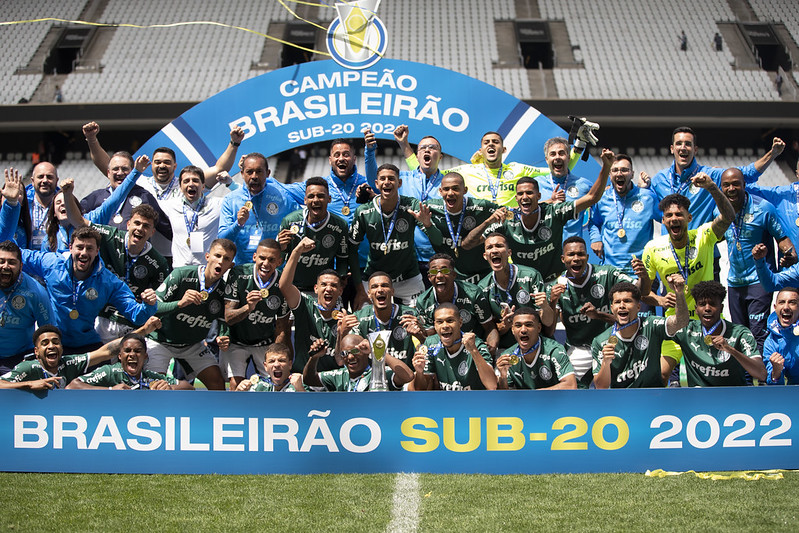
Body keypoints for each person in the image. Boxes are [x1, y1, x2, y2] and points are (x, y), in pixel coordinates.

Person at [83, 122, 244, 259]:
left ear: (175, 166)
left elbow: (219, 169)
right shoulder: (139, 183)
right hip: (145, 254)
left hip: (177, 255)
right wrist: (91, 139)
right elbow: (108, 167)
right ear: (151, 165)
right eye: (158, 162)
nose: (162, 166)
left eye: (167, 163)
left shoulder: (185, 185)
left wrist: (234, 144)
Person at [463, 148, 614, 281]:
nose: (525, 197)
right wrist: (487, 222)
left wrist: (606, 167)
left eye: (529, 193)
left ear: (539, 196)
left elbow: (592, 197)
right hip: (523, 284)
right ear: (516, 198)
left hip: (553, 283)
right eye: (520, 194)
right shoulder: (508, 220)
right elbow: (467, 244)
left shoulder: (555, 212)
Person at [641, 172, 735, 375]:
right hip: (676, 324)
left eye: (679, 214)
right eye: (669, 216)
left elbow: (729, 217)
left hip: (707, 323)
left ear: (688, 218)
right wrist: (659, 300)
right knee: (661, 374)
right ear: (663, 221)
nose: (674, 219)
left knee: (712, 375)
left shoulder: (704, 236)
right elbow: (643, 293)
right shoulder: (653, 248)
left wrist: (711, 187)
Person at [20, 225, 157, 354]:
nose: (84, 253)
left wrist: (149, 304)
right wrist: (11, 205)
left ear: (97, 251)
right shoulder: (52, 264)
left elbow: (137, 316)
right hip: (53, 343)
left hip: (86, 344)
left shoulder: (108, 282)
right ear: (70, 248)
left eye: (89, 248)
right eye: (79, 247)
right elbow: (14, 255)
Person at [401, 124, 596, 207]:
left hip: (511, 230)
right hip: (480, 232)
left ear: (503, 149)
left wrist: (578, 146)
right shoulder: (466, 171)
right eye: (487, 143)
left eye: (496, 142)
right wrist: (404, 145)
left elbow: (558, 167)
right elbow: (428, 170)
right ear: (481, 149)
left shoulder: (519, 170)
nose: (491, 145)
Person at [547, 237, 640, 387]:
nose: (576, 259)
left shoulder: (607, 273)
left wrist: (598, 315)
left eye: (580, 254)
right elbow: (548, 330)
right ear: (563, 259)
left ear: (587, 257)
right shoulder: (555, 287)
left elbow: (637, 296)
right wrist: (552, 302)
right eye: (571, 255)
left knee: (623, 385)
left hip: (610, 343)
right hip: (578, 348)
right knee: (571, 389)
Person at [718, 167, 793, 351]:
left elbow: (782, 239)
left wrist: (789, 255)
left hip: (760, 281)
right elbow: (714, 236)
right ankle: (746, 380)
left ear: (745, 185)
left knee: (757, 333)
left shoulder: (763, 208)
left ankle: (763, 378)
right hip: (735, 282)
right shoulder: (718, 211)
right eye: (726, 185)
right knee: (740, 335)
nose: (731, 188)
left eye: (736, 184)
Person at [145, 239, 236, 391]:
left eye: (226, 259)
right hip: (161, 341)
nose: (220, 261)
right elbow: (153, 307)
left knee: (218, 383)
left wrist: (222, 336)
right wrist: (179, 304)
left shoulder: (224, 290)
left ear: (231, 265)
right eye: (217, 255)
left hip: (192, 345)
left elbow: (223, 321)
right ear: (207, 256)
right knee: (156, 387)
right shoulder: (182, 274)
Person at [648, 129, 784, 229]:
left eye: (688, 144)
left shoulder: (711, 175)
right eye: (679, 143)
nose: (683, 147)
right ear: (672, 149)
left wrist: (773, 154)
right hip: (670, 255)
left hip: (704, 254)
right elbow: (649, 209)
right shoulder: (659, 180)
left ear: (695, 149)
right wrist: (643, 187)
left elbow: (747, 174)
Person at [348, 163, 441, 306]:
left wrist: (428, 224)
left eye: (391, 178)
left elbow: (438, 240)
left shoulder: (411, 205)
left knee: (419, 323)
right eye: (383, 179)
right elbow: (351, 250)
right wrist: (360, 289)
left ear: (400, 183)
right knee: (366, 324)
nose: (387, 182)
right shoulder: (363, 211)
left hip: (408, 279)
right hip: (375, 279)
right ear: (376, 184)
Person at [0, 317, 160, 390]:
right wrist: (29, 384)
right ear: (36, 352)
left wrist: (143, 331)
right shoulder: (28, 367)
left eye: (56, 342)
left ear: (62, 347)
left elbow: (105, 351)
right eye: (45, 343)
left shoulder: (69, 362)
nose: (51, 346)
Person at [367, 126, 445, 273]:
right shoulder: (403, 179)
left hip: (438, 257)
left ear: (440, 156)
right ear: (417, 155)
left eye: (432, 147)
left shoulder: (447, 184)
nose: (427, 150)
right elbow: (373, 181)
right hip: (407, 258)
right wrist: (370, 152)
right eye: (423, 148)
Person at [593, 278, 689, 388]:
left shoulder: (652, 325)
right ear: (612, 308)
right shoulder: (600, 341)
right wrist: (605, 362)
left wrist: (680, 293)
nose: (622, 305)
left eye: (627, 301)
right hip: (621, 400)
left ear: (638, 307)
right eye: (617, 302)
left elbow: (681, 322)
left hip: (653, 398)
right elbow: (601, 386)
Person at [222, 239, 291, 390]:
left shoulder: (283, 283)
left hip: (264, 343)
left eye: (272, 260)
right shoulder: (238, 274)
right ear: (254, 257)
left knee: (274, 385)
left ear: (279, 262)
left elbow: (281, 327)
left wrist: (276, 356)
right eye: (262, 258)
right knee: (236, 386)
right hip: (237, 341)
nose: (266, 263)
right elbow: (228, 318)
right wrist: (248, 307)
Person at [671, 281, 765, 386]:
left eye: (712, 304)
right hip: (699, 399)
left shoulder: (740, 333)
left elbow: (761, 373)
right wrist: (679, 293)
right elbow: (669, 325)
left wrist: (731, 350)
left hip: (733, 398)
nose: (707, 308)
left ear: (721, 308)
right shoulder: (687, 330)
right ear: (696, 309)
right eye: (702, 304)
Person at [477, 232, 555, 351]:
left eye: (499, 246)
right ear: (484, 255)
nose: (494, 250)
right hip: (506, 350)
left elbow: (548, 322)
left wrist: (545, 306)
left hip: (538, 347)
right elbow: (489, 330)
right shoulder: (483, 287)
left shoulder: (531, 276)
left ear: (509, 253)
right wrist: (505, 325)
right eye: (489, 247)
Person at [279, 236, 347, 373]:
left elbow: (341, 361)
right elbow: (284, 286)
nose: (328, 289)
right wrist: (297, 251)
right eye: (324, 285)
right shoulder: (305, 305)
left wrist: (342, 333)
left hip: (332, 382)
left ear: (340, 291)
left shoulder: (345, 318)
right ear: (316, 288)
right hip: (302, 378)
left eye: (333, 285)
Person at [218, 152, 299, 265]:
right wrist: (238, 224)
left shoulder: (282, 197)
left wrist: (285, 242)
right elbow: (222, 241)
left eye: (259, 171)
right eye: (249, 172)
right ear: (242, 174)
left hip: (274, 269)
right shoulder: (230, 200)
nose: (254, 176)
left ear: (268, 173)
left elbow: (300, 225)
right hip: (242, 269)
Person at [276, 177, 352, 293]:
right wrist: (280, 247)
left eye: (320, 196)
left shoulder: (340, 226)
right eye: (311, 196)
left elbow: (342, 258)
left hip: (323, 290)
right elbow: (279, 260)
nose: (315, 200)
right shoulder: (290, 221)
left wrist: (341, 276)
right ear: (305, 200)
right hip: (293, 288)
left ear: (329, 199)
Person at [588, 154, 661, 274]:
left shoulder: (648, 197)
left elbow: (666, 219)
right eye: (615, 170)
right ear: (610, 174)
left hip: (641, 272)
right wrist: (596, 239)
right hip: (611, 272)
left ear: (632, 174)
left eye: (624, 170)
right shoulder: (602, 198)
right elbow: (594, 223)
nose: (619, 174)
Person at [80, 150, 171, 242]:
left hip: (135, 254)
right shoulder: (95, 197)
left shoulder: (144, 196)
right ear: (108, 173)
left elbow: (167, 229)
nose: (120, 173)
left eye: (124, 169)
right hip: (102, 254)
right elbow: (76, 219)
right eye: (116, 169)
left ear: (132, 172)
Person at [423, 172, 497, 283]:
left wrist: (485, 234)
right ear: (440, 191)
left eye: (455, 189)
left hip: (482, 274)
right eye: (446, 189)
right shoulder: (430, 207)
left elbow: (504, 214)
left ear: (465, 190)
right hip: (450, 276)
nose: (450, 193)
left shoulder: (481, 206)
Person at [415, 253, 498, 350]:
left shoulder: (473, 294)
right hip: (444, 351)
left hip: (474, 347)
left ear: (454, 274)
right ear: (429, 277)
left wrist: (491, 348)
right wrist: (419, 336)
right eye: (434, 271)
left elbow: (489, 327)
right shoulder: (423, 301)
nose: (439, 275)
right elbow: (431, 338)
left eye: (445, 270)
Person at [344, 271, 425, 369]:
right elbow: (349, 356)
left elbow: (426, 349)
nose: (380, 290)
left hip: (406, 376)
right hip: (372, 378)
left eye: (384, 285)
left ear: (392, 291)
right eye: (374, 287)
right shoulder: (359, 318)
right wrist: (342, 333)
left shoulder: (410, 315)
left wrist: (420, 336)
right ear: (369, 294)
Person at [409, 303, 497, 390]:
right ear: (435, 325)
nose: (445, 326)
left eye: (450, 320)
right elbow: (420, 390)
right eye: (440, 322)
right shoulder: (430, 343)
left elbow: (492, 385)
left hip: (474, 401)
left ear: (460, 322)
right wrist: (419, 373)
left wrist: (474, 351)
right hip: (445, 401)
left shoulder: (475, 344)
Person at [68, 331, 194, 390]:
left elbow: (189, 387)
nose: (132, 355)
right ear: (119, 355)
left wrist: (169, 388)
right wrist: (110, 391)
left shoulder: (151, 377)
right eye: (127, 351)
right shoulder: (109, 372)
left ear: (145, 356)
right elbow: (73, 386)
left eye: (138, 351)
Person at [0, 240, 54, 372]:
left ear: (21, 266)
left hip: (19, 359)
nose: (6, 266)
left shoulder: (35, 292)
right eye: (1, 261)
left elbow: (48, 330)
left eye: (12, 262)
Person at [496, 308, 577, 390]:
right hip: (525, 402)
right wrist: (503, 376)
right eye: (518, 325)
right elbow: (504, 398)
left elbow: (570, 385)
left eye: (529, 325)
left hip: (554, 401)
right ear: (513, 330)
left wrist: (535, 395)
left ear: (538, 328)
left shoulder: (554, 350)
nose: (523, 330)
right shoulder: (508, 356)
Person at [162, 165, 227, 267]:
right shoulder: (170, 205)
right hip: (180, 270)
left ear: (203, 186)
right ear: (180, 187)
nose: (191, 184)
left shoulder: (217, 204)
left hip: (206, 269)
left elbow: (245, 199)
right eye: (186, 181)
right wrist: (136, 172)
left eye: (195, 180)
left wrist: (231, 184)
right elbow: (145, 200)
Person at [303, 334, 413, 391]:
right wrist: (314, 358)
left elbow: (408, 376)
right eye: (344, 353)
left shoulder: (380, 373)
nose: (350, 357)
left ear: (365, 351)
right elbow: (309, 380)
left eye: (355, 351)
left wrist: (377, 351)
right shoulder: (339, 376)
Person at [534, 136, 595, 240]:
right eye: (553, 154)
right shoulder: (536, 185)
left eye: (561, 153)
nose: (557, 157)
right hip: (544, 251)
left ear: (568, 157)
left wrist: (595, 238)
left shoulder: (584, 185)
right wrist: (550, 202)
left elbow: (597, 216)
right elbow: (525, 212)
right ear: (547, 159)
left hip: (572, 251)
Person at [747, 157, 799, 256]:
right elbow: (744, 186)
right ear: (797, 173)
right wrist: (772, 154)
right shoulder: (781, 195)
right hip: (789, 268)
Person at [762, 287, 799, 385]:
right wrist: (776, 372)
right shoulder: (771, 342)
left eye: (792, 302)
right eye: (782, 302)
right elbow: (776, 389)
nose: (786, 307)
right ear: (775, 307)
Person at [235, 343, 304, 392]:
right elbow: (234, 408)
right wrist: (238, 393)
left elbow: (312, 409)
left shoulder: (300, 383)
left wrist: (300, 390)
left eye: (281, 360)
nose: (276, 365)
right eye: (271, 361)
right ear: (265, 366)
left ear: (290, 364)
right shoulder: (258, 386)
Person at [26, 162, 59, 250]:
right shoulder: (22, 204)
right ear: (32, 181)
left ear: (57, 181)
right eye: (40, 176)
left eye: (49, 177)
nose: (45, 180)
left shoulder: (65, 205)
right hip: (26, 259)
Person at [1, 167, 33, 249]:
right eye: (7, 190)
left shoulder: (25, 227)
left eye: (19, 193)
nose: (13, 194)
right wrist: (11, 202)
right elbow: (3, 234)